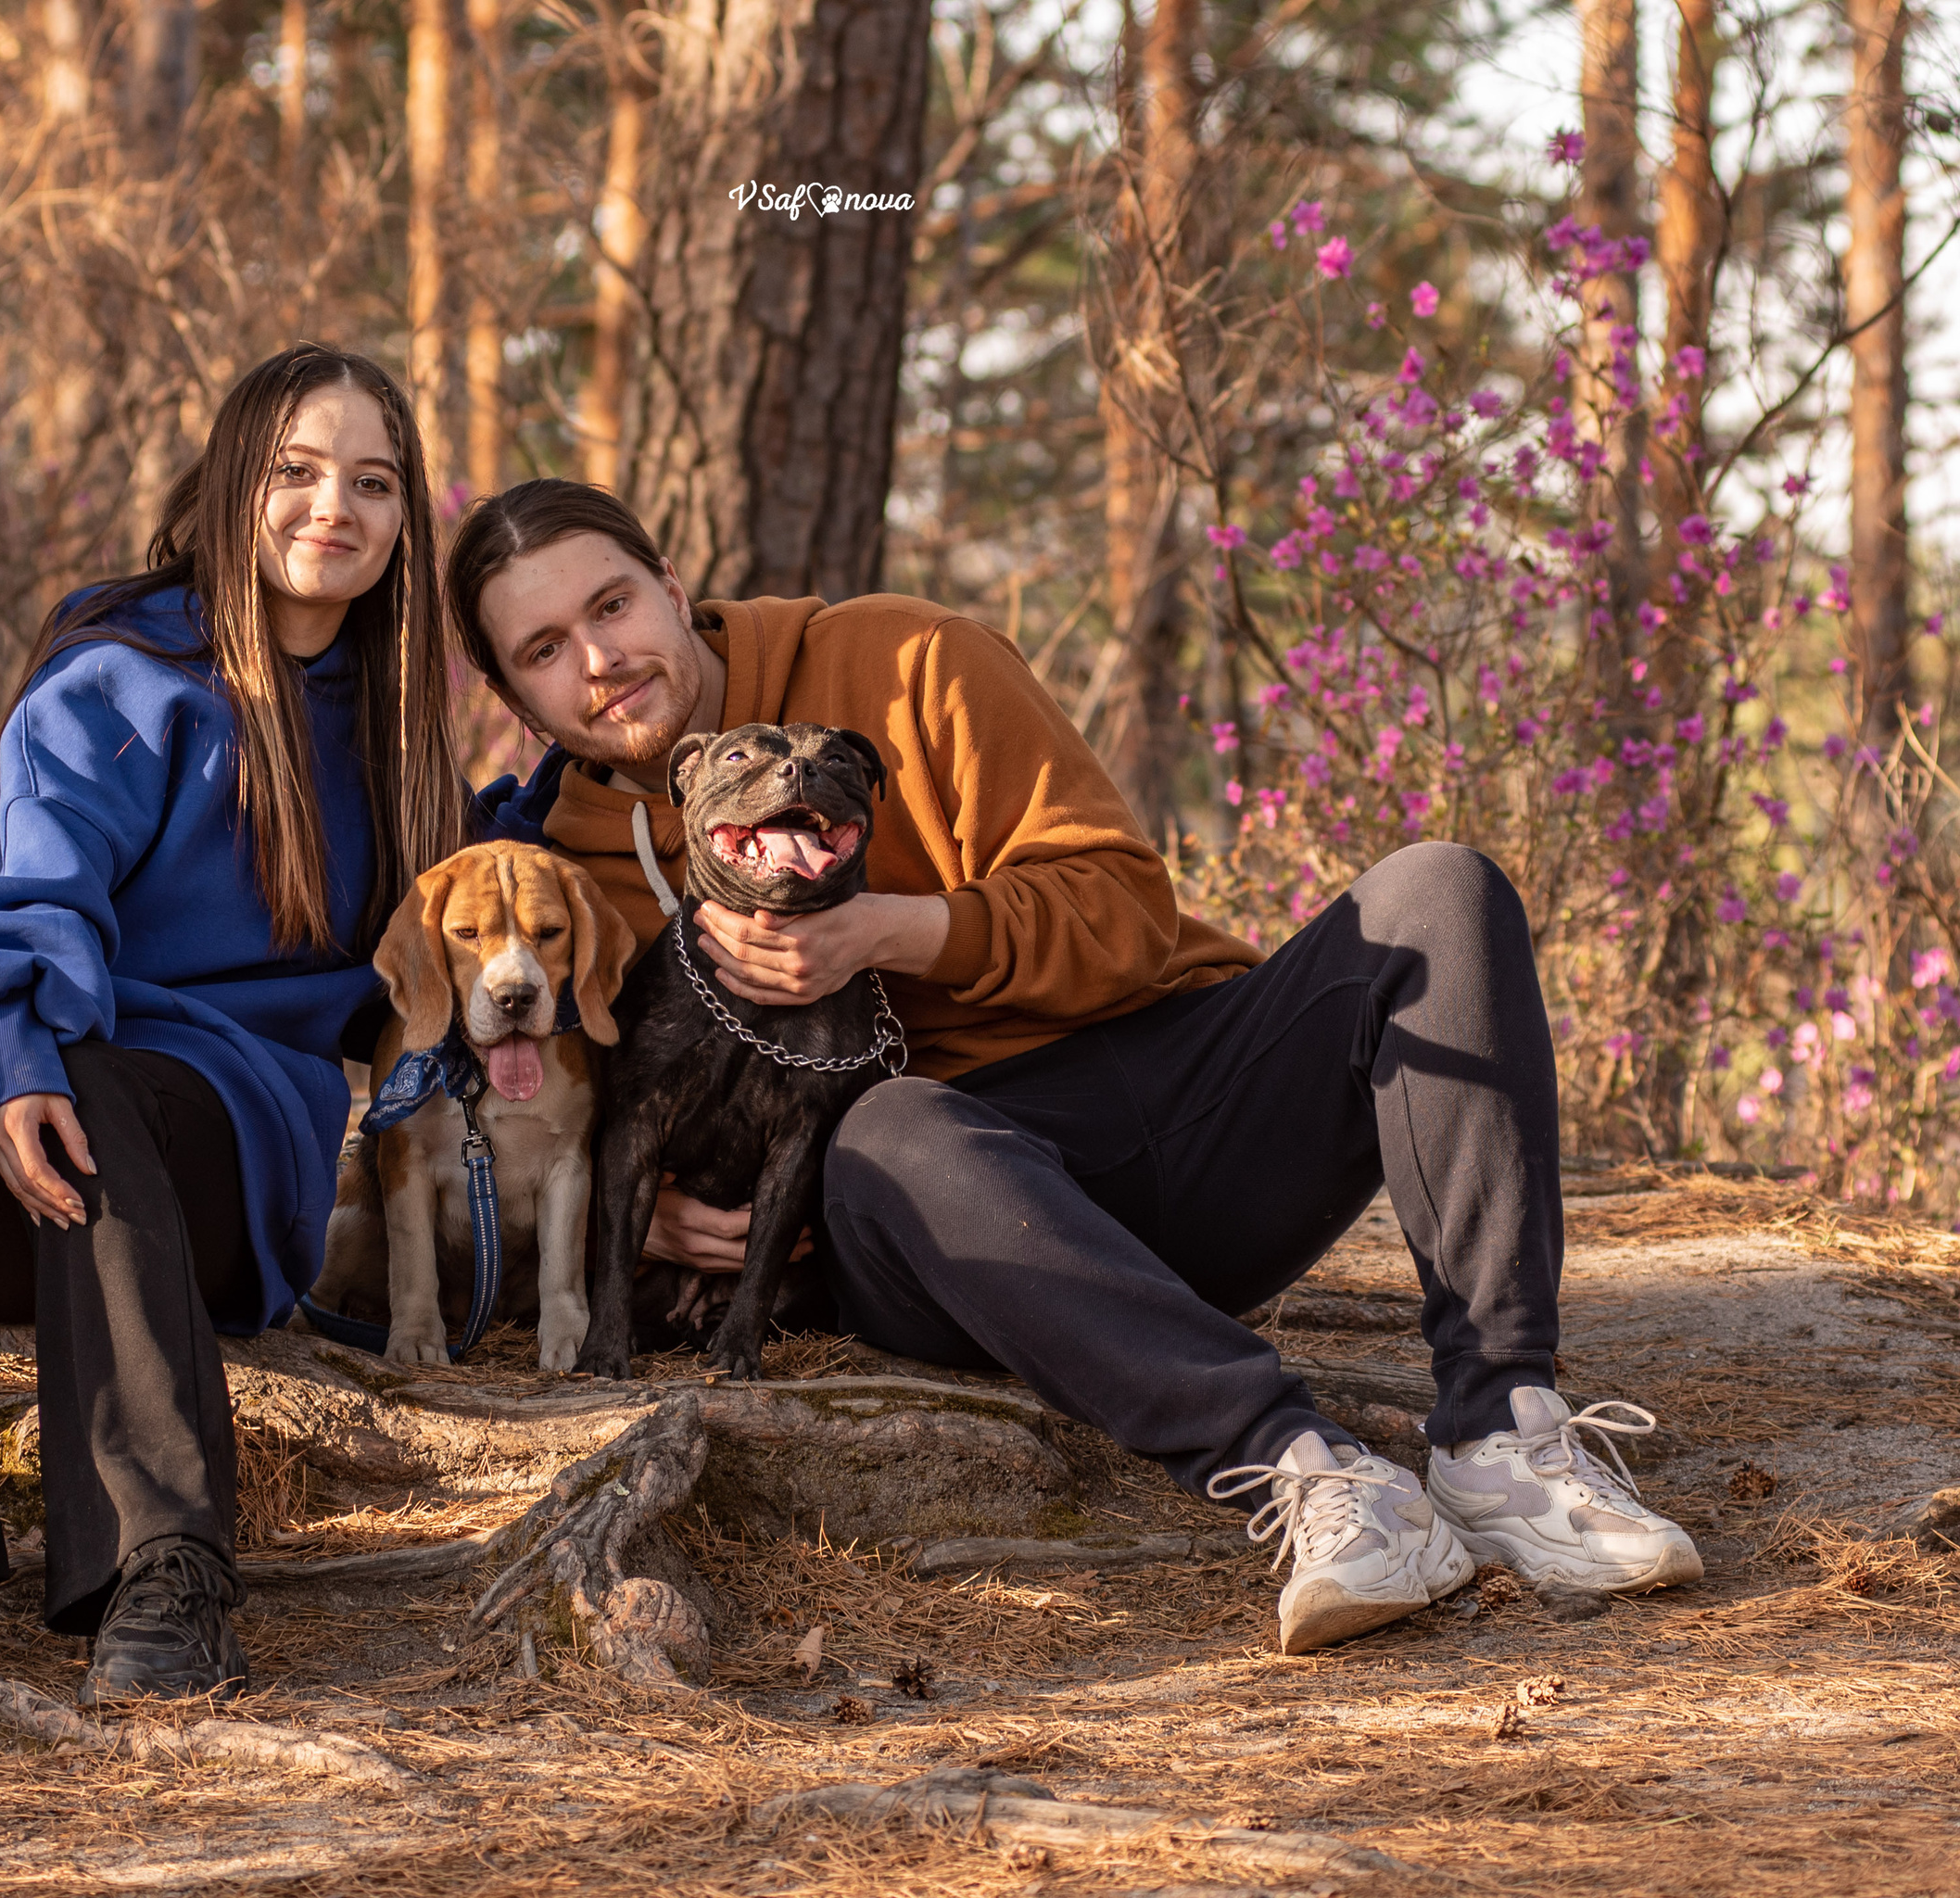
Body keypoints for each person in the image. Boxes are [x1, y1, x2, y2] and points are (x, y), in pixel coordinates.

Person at [452, 477, 1702, 1656]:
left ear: (672, 585)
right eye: (546, 648)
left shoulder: (911, 660)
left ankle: (1504, 1435)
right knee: (893, 1128)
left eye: (612, 604)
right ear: (516, 699)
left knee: (1440, 891)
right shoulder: (566, 870)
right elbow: (548, 1101)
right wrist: (644, 1206)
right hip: (949, 1222)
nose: (599, 659)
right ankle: (1309, 1473)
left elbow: (1124, 910)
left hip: (1171, 1094)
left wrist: (895, 930)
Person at [0, 345, 468, 1732]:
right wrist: (17, 1063)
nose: (336, 507)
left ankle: (167, 1568)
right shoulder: (123, 674)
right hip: (20, 1130)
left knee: (94, 1074)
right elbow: (36, 890)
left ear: (406, 519)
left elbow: (483, 907)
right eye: (298, 471)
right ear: (232, 485)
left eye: (375, 482)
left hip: (211, 1155)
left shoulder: (398, 727)